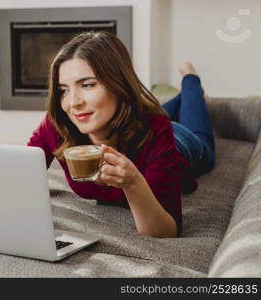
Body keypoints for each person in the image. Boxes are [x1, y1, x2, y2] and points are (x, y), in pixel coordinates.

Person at [27, 31, 215, 238]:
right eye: (64, 90)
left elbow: (167, 231)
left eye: (87, 85)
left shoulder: (157, 129)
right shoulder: (58, 124)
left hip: (182, 144)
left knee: (198, 128)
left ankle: (190, 79)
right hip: (133, 117)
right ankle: (175, 97)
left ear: (118, 84)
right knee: (158, 110)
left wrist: (133, 182)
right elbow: (19, 174)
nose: (73, 104)